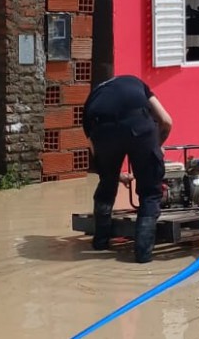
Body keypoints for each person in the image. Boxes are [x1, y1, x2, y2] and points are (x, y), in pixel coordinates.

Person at [82, 75, 173, 263]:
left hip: (103, 131)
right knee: (149, 193)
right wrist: (155, 147)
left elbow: (98, 158)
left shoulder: (91, 101)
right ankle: (143, 255)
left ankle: (100, 242)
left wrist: (115, 176)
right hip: (139, 126)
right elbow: (166, 120)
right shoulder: (136, 83)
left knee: (106, 189)